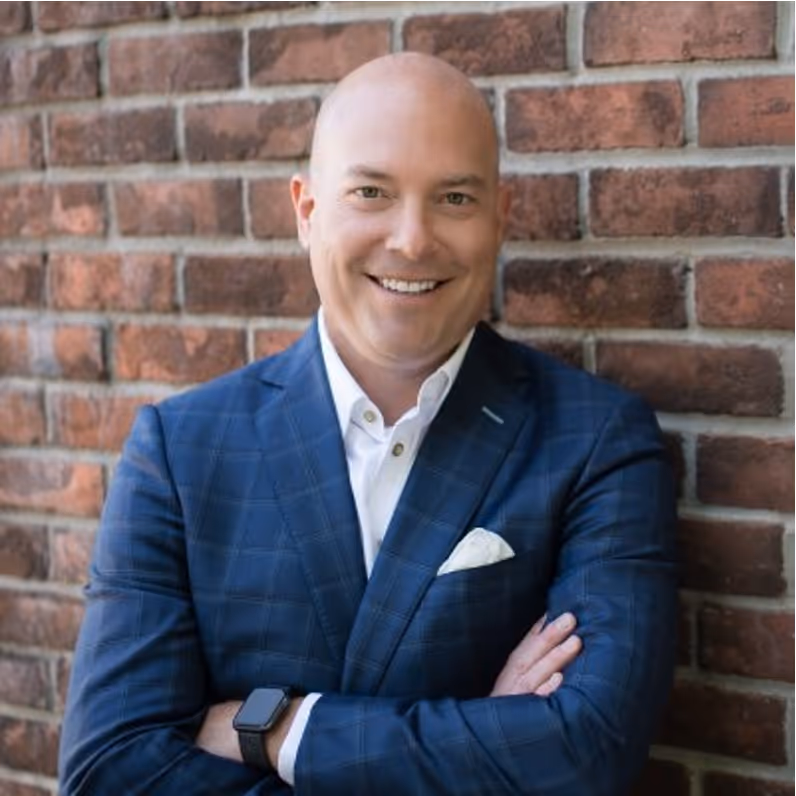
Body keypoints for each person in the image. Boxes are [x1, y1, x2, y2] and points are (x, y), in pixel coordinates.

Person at [58, 52, 678, 796]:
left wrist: (278, 730)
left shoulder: (597, 440)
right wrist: (483, 736)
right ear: (307, 211)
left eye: (453, 197)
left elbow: (585, 752)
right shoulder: (180, 453)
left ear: (499, 220)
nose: (413, 239)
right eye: (371, 192)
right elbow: (109, 772)